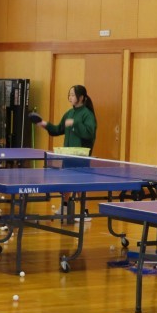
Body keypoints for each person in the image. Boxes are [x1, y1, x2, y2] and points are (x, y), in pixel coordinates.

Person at [36, 84, 97, 222]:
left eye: (73, 95)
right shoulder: (69, 113)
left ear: (81, 97)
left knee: (81, 184)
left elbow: (89, 133)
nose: (70, 97)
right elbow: (57, 129)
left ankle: (85, 212)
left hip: (81, 156)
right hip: (67, 154)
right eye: (69, 94)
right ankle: (64, 207)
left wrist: (75, 123)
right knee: (66, 181)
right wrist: (43, 124)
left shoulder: (87, 114)